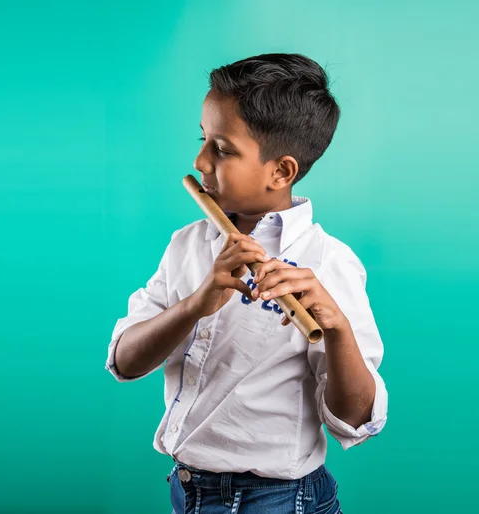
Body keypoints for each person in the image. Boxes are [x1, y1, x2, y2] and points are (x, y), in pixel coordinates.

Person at [105, 53, 387, 514]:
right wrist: (197, 303)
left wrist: (337, 330)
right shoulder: (187, 245)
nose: (199, 161)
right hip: (188, 490)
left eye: (222, 149)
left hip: (277, 499)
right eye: (203, 140)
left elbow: (356, 420)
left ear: (282, 171)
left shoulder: (329, 262)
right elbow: (124, 361)